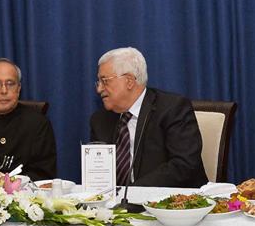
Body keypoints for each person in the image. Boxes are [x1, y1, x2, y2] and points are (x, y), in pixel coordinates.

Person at [88, 47, 205, 188]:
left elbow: (184, 165)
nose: (99, 89)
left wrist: (132, 193)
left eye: (105, 81)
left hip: (170, 202)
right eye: (98, 82)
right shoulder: (100, 120)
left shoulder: (172, 109)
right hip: (116, 206)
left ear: (129, 81)